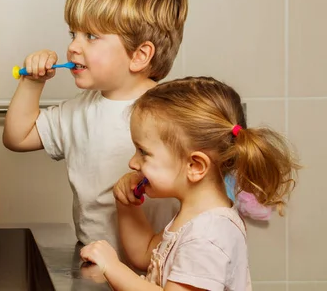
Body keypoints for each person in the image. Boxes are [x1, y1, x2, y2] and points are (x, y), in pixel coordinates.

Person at [3, 0, 188, 250]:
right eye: (73, 34)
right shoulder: (78, 112)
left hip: (160, 268)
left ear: (139, 55)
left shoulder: (175, 112)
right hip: (95, 263)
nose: (72, 47)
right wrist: (32, 82)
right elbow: (17, 137)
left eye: (90, 36)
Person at [80, 76, 301, 290]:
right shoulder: (193, 218)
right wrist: (126, 205)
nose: (132, 163)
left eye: (143, 152)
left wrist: (113, 267)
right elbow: (145, 254)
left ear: (195, 166)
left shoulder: (210, 234)